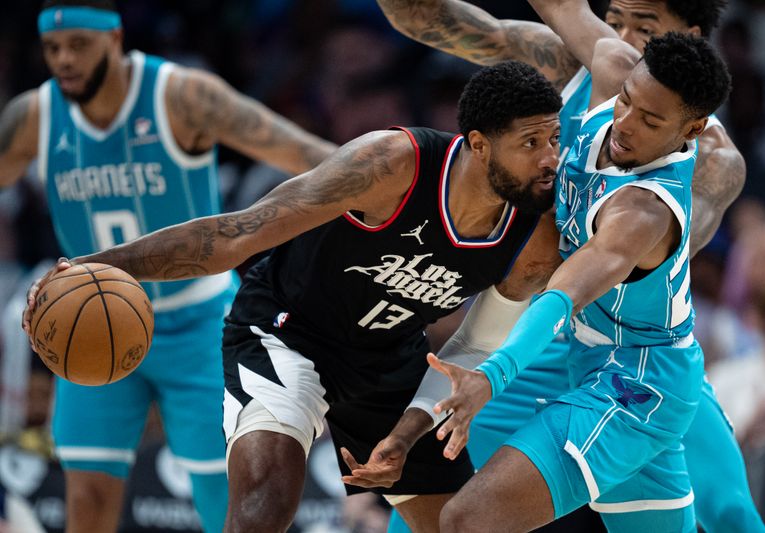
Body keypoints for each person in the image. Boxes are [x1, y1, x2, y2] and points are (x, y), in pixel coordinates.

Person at [24, 60, 567, 532]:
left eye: (554, 139)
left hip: (389, 355)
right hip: (287, 331)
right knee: (264, 502)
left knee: (463, 524)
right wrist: (94, 267)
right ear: (477, 144)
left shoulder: (535, 237)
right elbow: (236, 234)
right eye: (530, 143)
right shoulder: (392, 165)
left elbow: (473, 349)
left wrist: (406, 433)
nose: (550, 159)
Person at [377, 1, 765, 531]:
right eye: (625, 103)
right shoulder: (610, 66)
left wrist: (489, 374)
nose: (625, 122)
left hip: (633, 371)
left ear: (691, 127)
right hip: (580, 344)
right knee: (430, 508)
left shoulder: (654, 203)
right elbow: (560, 6)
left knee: (728, 514)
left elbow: (569, 288)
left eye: (645, 28)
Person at [2, 1, 337, 531]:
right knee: (86, 495)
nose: (64, 59)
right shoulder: (35, 116)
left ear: (114, 38)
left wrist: (391, 181)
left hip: (199, 322)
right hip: (85, 323)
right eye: (52, 48)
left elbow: (305, 154)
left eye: (78, 45)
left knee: (222, 495)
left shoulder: (182, 96)